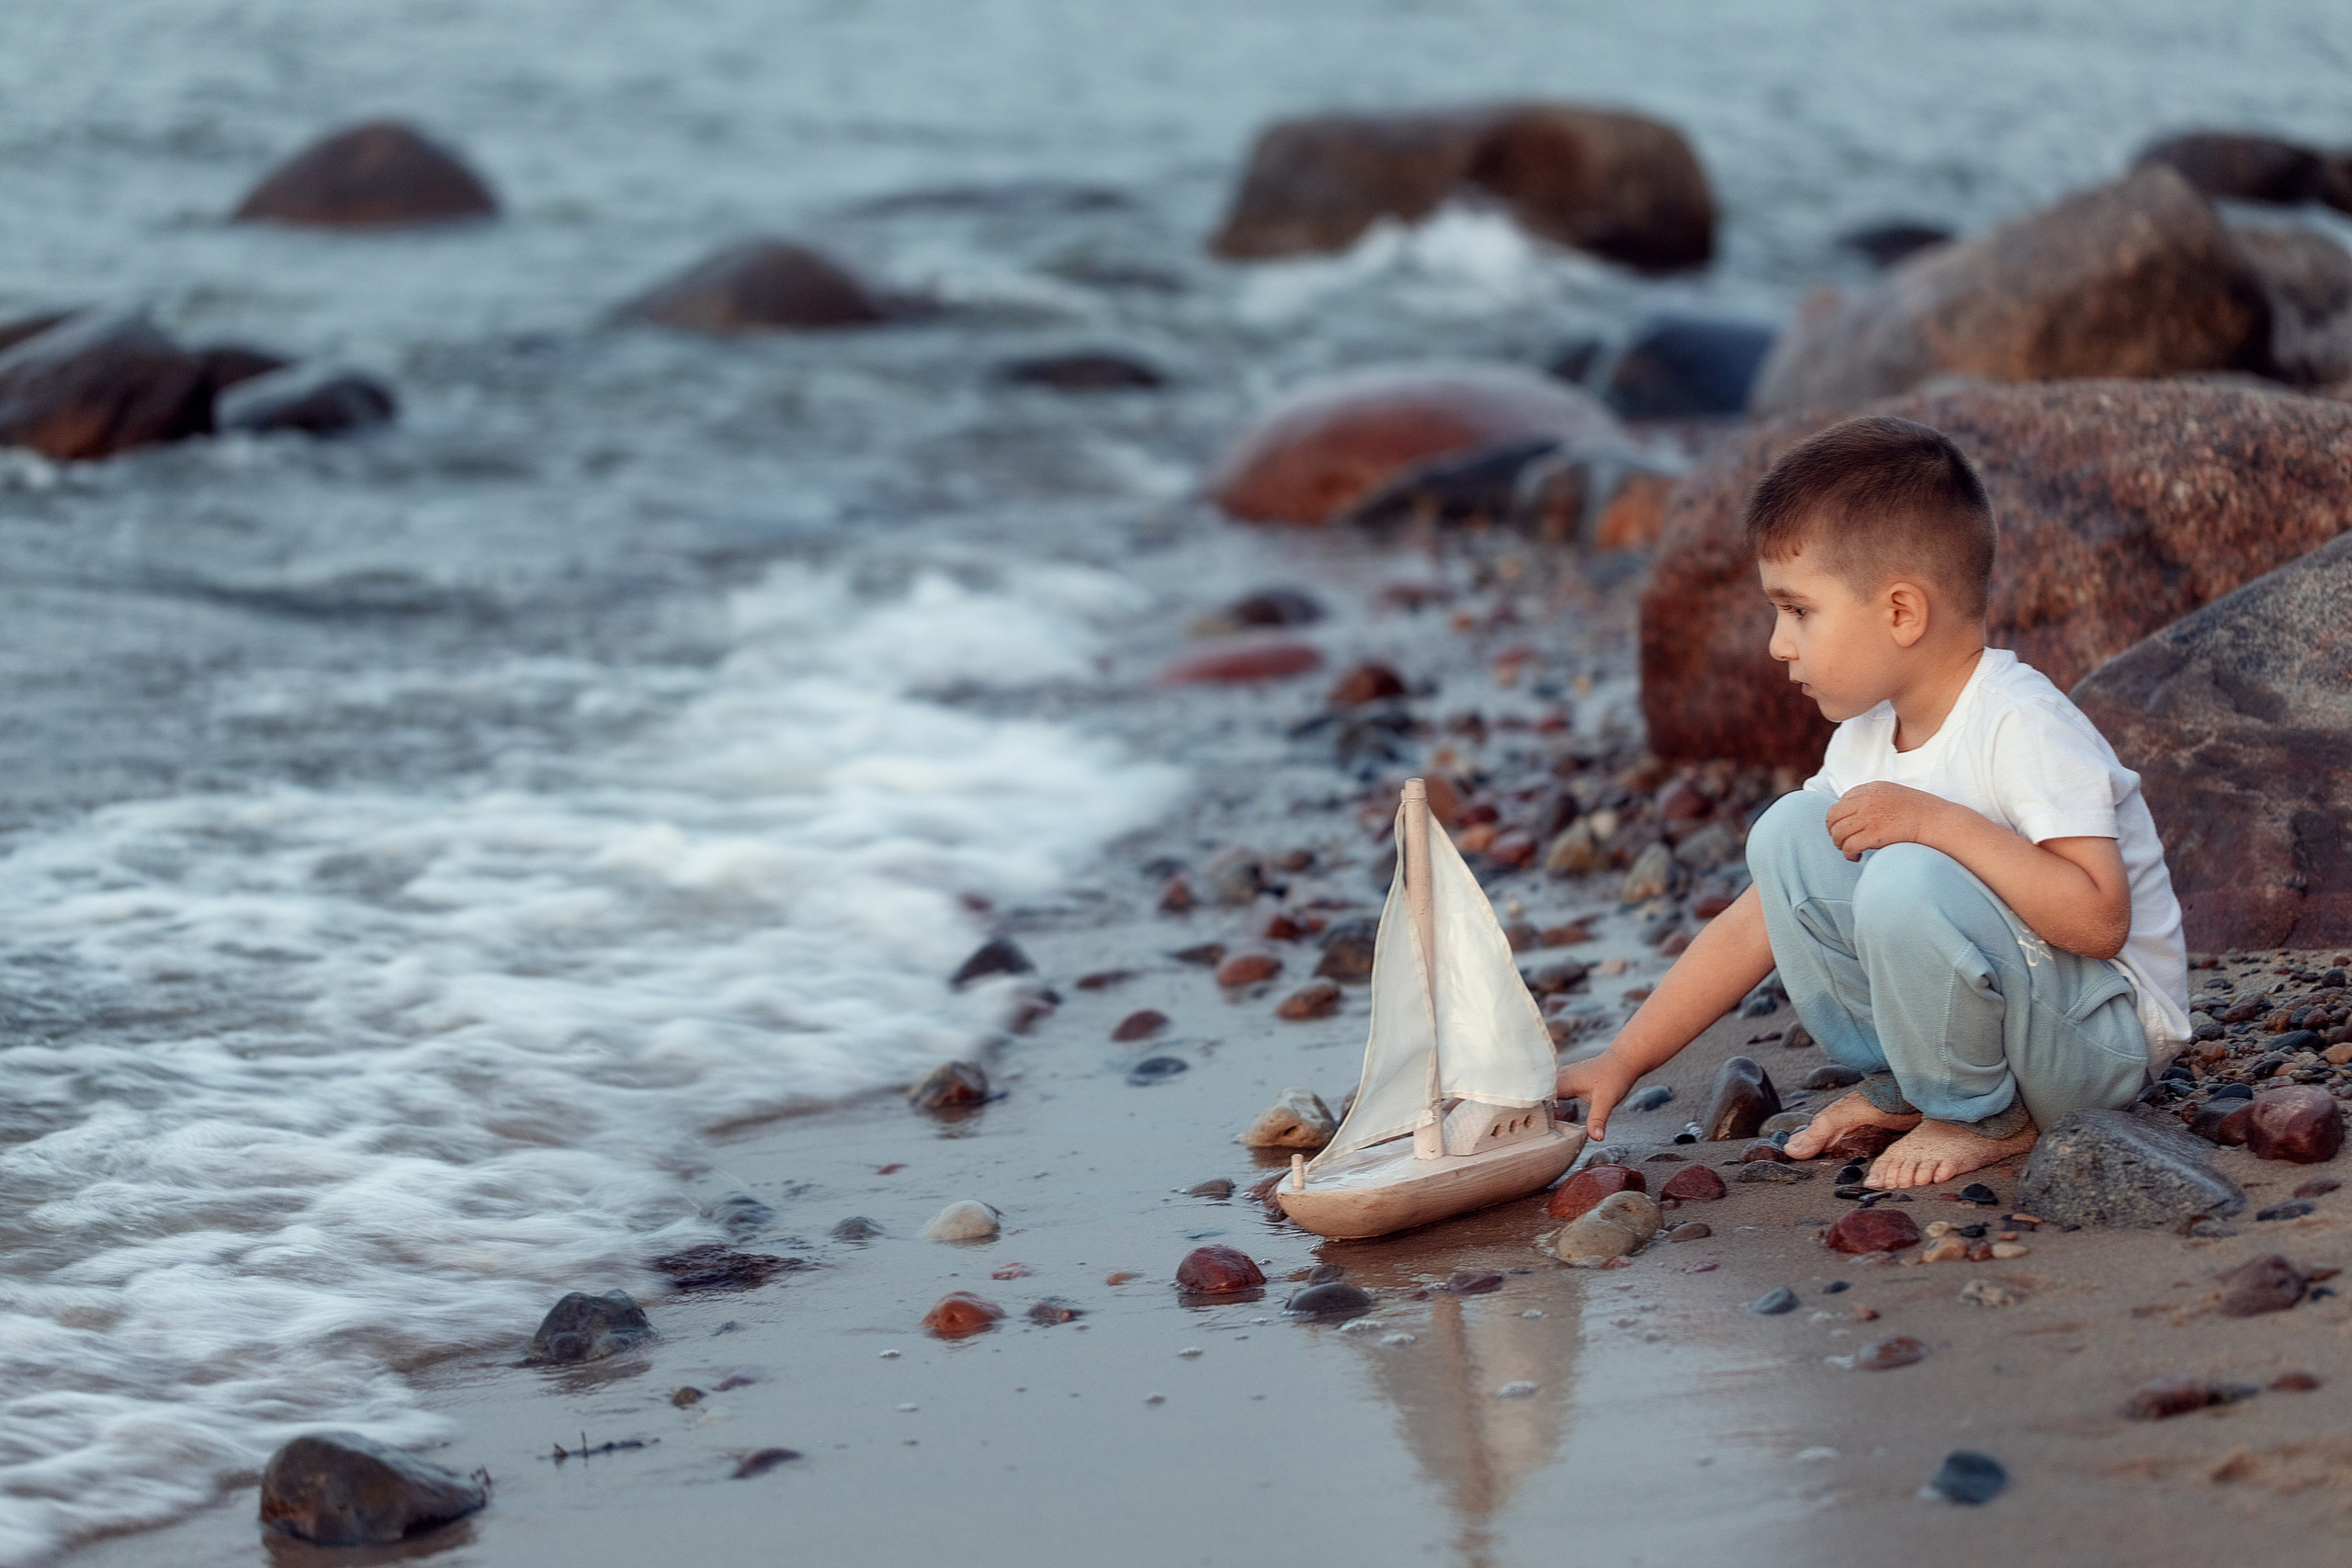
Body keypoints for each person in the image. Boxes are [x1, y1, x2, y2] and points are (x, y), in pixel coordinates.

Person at [1556, 415, 2189, 1190]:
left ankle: (1977, 1110)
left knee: (1904, 875)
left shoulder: (2022, 724)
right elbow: (1761, 918)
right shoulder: (1865, 741)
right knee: (1789, 834)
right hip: (2021, 1023)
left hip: (2098, 1045)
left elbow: (2099, 919)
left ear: (1900, 613)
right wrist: (1625, 1055)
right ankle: (1915, 1081)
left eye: (1797, 610)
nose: (1777, 644)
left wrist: (1935, 824)